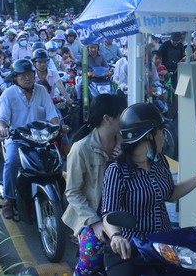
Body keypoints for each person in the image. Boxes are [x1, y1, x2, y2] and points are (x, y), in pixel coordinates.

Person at [101, 103, 196, 275]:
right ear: (148, 136)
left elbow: (171, 194)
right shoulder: (118, 170)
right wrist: (116, 237)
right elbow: (109, 214)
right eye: (160, 130)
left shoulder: (160, 162)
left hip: (164, 245)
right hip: (133, 247)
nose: (164, 136)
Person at [62, 94, 127, 276]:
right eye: (121, 113)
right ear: (107, 119)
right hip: (91, 214)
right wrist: (95, 222)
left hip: (119, 210)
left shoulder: (125, 144)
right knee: (91, 256)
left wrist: (123, 158)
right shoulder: (81, 149)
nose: (126, 117)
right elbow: (73, 192)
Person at [0, 59, 60, 219]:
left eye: (30, 75)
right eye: (23, 76)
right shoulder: (8, 94)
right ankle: (9, 200)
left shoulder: (41, 91)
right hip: (17, 139)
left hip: (41, 138)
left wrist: (58, 126)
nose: (27, 78)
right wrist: (3, 129)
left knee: (56, 161)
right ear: (15, 78)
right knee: (11, 162)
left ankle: (60, 195)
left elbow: (52, 115)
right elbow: (2, 119)